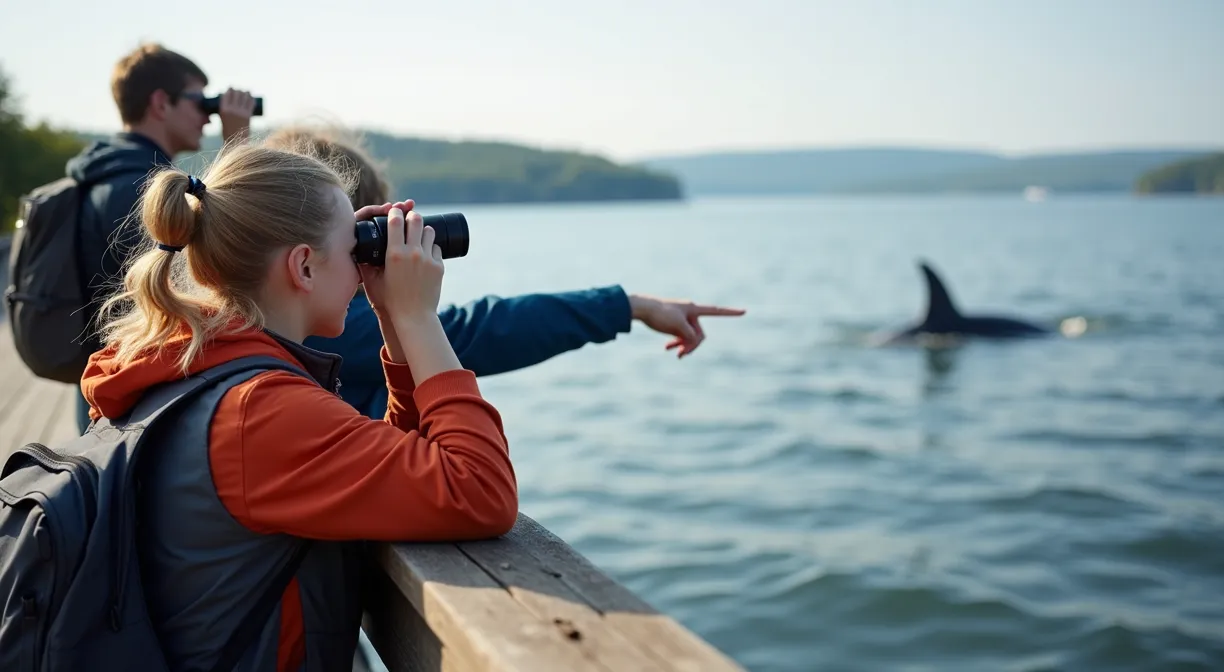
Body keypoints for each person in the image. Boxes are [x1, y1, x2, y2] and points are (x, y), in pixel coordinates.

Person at [82, 142, 516, 671]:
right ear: (304, 266)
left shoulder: (194, 367)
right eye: (352, 245)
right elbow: (481, 491)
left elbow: (393, 464)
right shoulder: (258, 411)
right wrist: (420, 317)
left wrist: (393, 320)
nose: (362, 267)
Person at [263, 125, 746, 419]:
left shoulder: (251, 328)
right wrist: (411, 317)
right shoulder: (323, 334)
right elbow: (481, 333)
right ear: (304, 258)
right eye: (362, 240)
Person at [63, 42, 257, 432]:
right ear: (160, 103)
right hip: (141, 387)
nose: (208, 116)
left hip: (105, 375)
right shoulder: (143, 190)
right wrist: (238, 147)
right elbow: (237, 254)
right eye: (200, 101)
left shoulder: (99, 175)